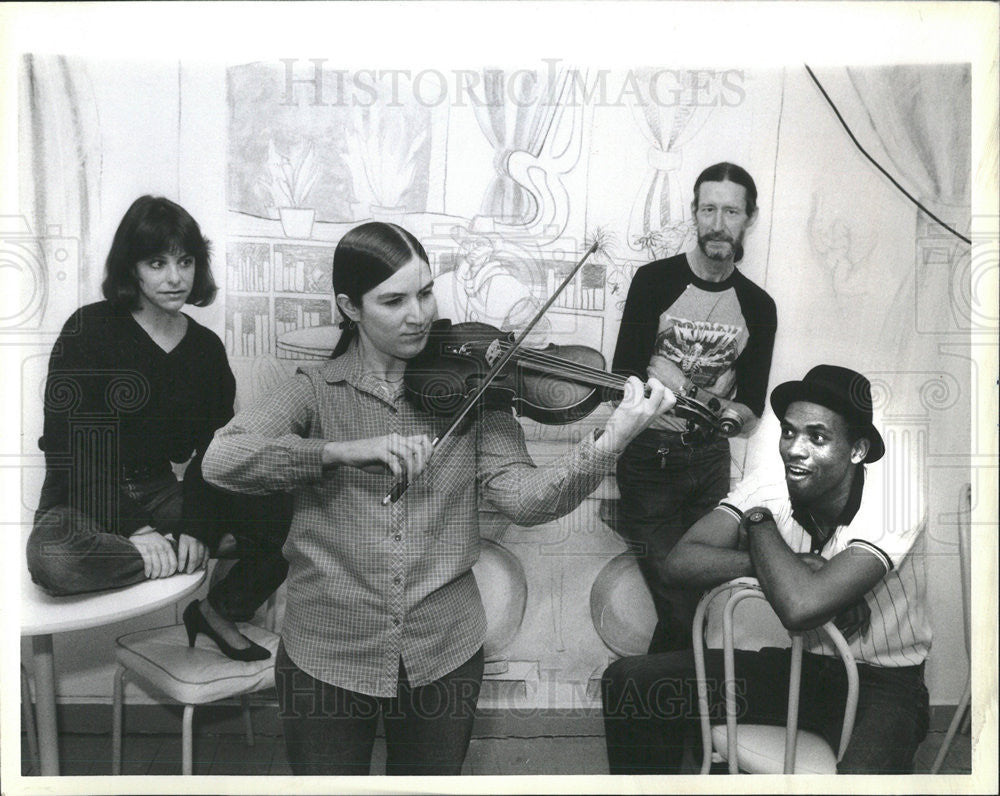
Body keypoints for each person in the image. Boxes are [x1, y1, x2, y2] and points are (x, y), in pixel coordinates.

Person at [201, 221, 677, 775]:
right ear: (349, 307)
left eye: (425, 292)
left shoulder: (477, 386)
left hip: (443, 651)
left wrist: (611, 439)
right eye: (394, 300)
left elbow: (526, 499)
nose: (419, 314)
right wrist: (338, 452)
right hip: (327, 650)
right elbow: (222, 459)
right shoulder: (313, 389)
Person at [602, 365, 931, 774]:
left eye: (818, 436)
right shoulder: (774, 481)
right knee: (630, 681)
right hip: (803, 668)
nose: (794, 449)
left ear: (858, 451)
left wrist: (757, 524)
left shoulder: (895, 497)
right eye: (789, 432)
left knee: (861, 780)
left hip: (884, 683)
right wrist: (778, 559)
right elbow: (679, 564)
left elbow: (800, 607)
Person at [26, 195, 290, 661]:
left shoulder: (206, 349)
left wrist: (197, 524)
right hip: (81, 494)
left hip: (159, 488)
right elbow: (72, 450)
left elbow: (216, 452)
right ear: (131, 268)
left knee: (290, 518)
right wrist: (138, 531)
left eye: (185, 261)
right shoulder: (88, 330)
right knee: (55, 560)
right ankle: (173, 555)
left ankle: (217, 609)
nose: (175, 277)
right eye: (157, 262)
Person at [611, 161, 778, 652]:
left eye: (731, 210)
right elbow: (624, 374)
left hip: (708, 465)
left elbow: (751, 404)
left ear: (749, 218)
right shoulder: (654, 281)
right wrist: (692, 390)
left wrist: (724, 411)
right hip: (648, 460)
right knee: (679, 597)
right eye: (708, 209)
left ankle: (660, 716)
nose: (718, 223)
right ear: (694, 213)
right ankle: (671, 717)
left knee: (694, 601)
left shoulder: (759, 306)